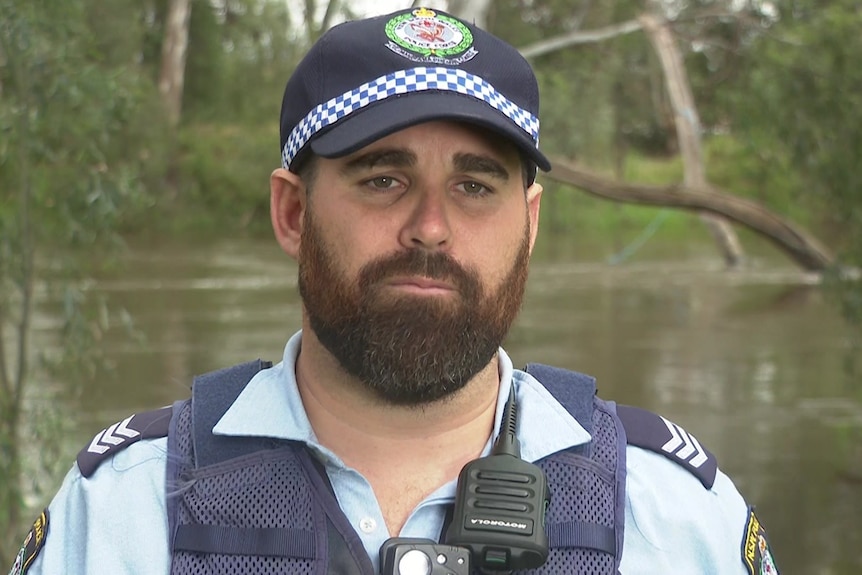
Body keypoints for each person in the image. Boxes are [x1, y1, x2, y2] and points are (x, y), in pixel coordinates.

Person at [10, 7, 780, 575]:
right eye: (384, 178)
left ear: (530, 223)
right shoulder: (123, 510)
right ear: (292, 211)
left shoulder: (673, 514)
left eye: (475, 185)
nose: (432, 227)